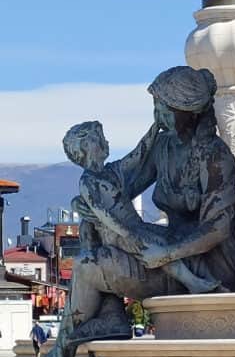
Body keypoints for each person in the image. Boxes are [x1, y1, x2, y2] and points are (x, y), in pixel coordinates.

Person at [23, 66, 235, 357]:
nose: (157, 115)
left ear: (188, 111)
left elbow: (218, 228)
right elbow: (118, 186)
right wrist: (86, 202)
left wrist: (167, 254)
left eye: (164, 108)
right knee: (90, 253)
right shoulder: (164, 147)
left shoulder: (215, 156)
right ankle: (76, 344)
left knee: (95, 257)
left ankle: (67, 351)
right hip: (165, 255)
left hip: (211, 267)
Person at [62, 120, 221, 294]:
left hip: (135, 227)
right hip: (119, 235)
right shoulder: (88, 181)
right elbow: (104, 214)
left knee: (170, 238)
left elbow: (137, 155)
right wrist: (127, 234)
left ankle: (199, 278)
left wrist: (154, 129)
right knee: (158, 245)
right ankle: (193, 283)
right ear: (86, 145)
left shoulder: (111, 170)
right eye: (100, 138)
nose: (106, 142)